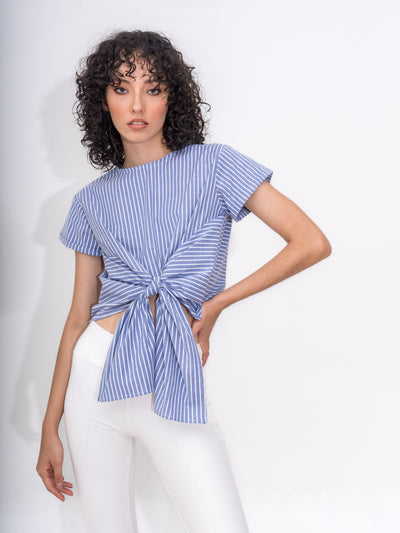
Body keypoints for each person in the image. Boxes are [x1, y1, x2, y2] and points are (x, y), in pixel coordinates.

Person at [36, 29, 332, 533]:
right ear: (102, 100)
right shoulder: (91, 200)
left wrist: (216, 304)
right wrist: (50, 425)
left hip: (170, 371)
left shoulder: (215, 166)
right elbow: (77, 318)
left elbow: (310, 243)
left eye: (152, 88)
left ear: (172, 97)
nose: (136, 104)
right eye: (121, 87)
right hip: (94, 374)